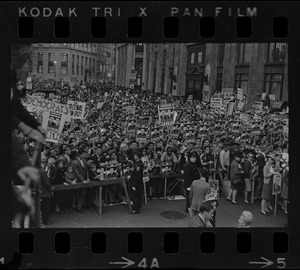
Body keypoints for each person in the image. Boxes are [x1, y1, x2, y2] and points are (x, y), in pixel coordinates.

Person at [40, 156, 54, 225]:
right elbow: (47, 182)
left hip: (40, 191)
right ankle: (46, 221)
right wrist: (51, 190)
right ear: (44, 162)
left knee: (41, 208)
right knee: (46, 208)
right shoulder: (42, 171)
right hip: (45, 192)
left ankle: (42, 220)